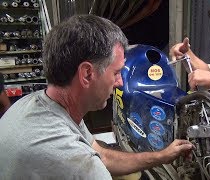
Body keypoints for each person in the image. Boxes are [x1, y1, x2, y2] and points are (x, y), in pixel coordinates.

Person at [0, 14, 193, 179]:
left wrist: (161, 156)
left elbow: (102, 155)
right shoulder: (78, 165)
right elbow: (92, 163)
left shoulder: (37, 103)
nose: (120, 83)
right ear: (87, 74)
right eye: (116, 73)